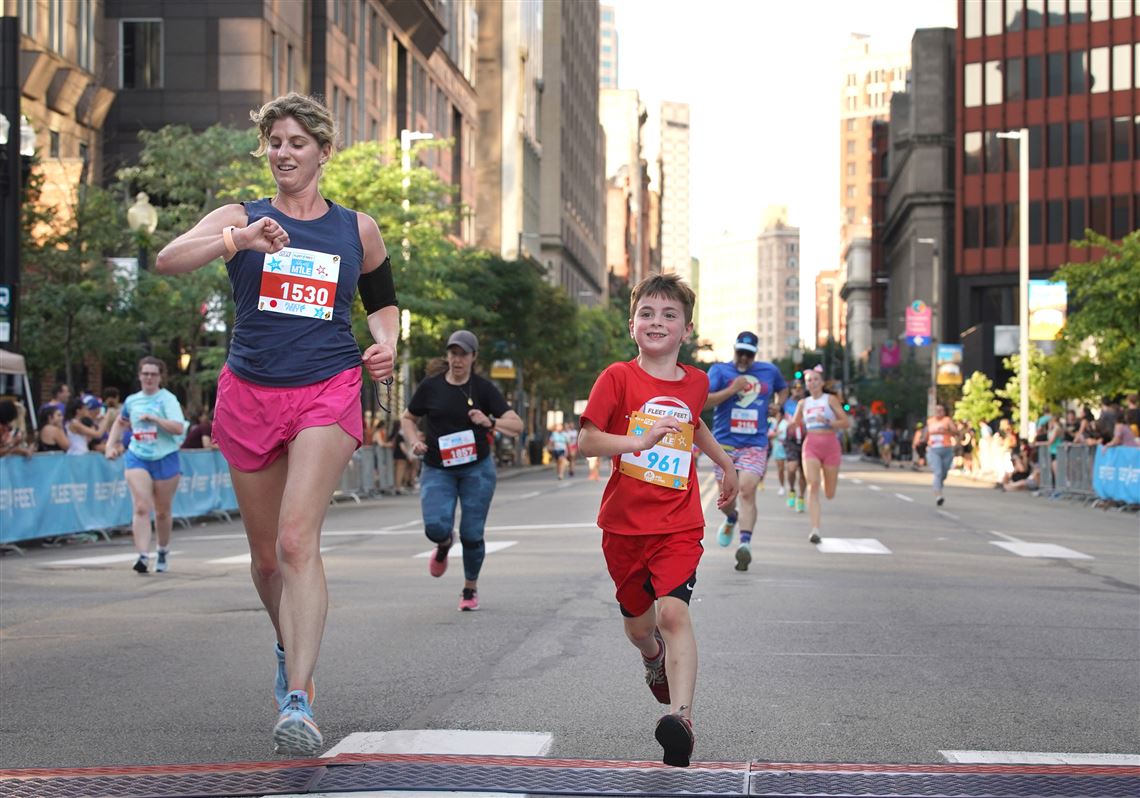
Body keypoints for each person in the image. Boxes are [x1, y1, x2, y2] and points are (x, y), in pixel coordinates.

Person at [153, 92, 399, 756]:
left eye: (296, 141)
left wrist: (387, 343)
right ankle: (288, 643)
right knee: (266, 559)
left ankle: (299, 695)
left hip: (327, 387)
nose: (284, 152)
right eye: (274, 142)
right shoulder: (242, 215)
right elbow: (168, 259)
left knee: (296, 542)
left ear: (323, 149)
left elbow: (382, 300)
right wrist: (238, 239)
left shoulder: (357, 228)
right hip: (251, 392)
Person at [577, 274, 738, 769]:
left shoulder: (696, 382)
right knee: (640, 628)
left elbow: (693, 422)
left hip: (677, 523)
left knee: (674, 614)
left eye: (669, 315)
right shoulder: (617, 379)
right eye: (647, 313)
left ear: (686, 330)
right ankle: (653, 660)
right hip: (624, 526)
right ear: (632, 325)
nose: (657, 322)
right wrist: (637, 443)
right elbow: (588, 441)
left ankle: (681, 721)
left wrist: (723, 462)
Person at [401, 330, 524, 612]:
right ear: (448, 356)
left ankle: (470, 588)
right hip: (437, 467)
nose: (457, 359)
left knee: (471, 533)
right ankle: (444, 544)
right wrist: (414, 440)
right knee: (435, 527)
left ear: (473, 358)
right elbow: (408, 418)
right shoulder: (431, 387)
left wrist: (489, 421)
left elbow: (516, 425)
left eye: (463, 354)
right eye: (453, 353)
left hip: (476, 470)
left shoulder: (483, 389)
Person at [704, 331, 786, 571]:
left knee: (748, 490)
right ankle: (731, 518)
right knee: (726, 499)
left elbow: (783, 389)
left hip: (755, 442)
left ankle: (745, 545)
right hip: (724, 444)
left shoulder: (769, 371)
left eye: (748, 355)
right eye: (740, 353)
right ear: (734, 350)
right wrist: (731, 390)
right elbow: (704, 401)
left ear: (755, 354)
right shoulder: (720, 371)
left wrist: (777, 406)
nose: (743, 358)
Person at [105, 356, 189, 574]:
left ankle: (162, 550)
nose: (149, 377)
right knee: (142, 506)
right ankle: (142, 556)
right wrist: (110, 445)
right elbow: (120, 423)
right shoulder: (132, 401)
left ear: (160, 377)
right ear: (139, 375)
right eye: (145, 373)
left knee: (162, 511)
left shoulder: (168, 399)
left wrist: (155, 419)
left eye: (153, 374)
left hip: (165, 456)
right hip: (137, 455)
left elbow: (179, 428)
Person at [792, 366, 851, 544]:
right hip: (811, 446)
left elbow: (846, 422)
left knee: (829, 493)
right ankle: (815, 529)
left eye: (816, 379)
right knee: (813, 485)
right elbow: (795, 423)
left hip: (831, 446)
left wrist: (828, 421)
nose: (813, 382)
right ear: (806, 384)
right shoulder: (803, 403)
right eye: (809, 380)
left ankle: (827, 479)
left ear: (822, 382)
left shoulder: (830, 400)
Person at [923, 404, 958, 506]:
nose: (939, 412)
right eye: (937, 410)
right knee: (938, 472)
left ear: (944, 411)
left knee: (944, 473)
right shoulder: (930, 421)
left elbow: (955, 432)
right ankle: (939, 495)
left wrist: (946, 431)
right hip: (933, 450)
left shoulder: (947, 420)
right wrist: (923, 439)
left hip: (946, 449)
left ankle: (938, 484)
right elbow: (925, 436)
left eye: (941, 410)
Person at [782, 382, 806, 513]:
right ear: (791, 391)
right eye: (795, 389)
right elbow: (778, 417)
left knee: (804, 472)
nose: (798, 391)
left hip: (806, 439)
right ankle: (791, 490)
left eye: (800, 389)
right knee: (791, 468)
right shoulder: (786, 404)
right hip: (790, 439)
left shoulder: (808, 402)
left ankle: (801, 498)